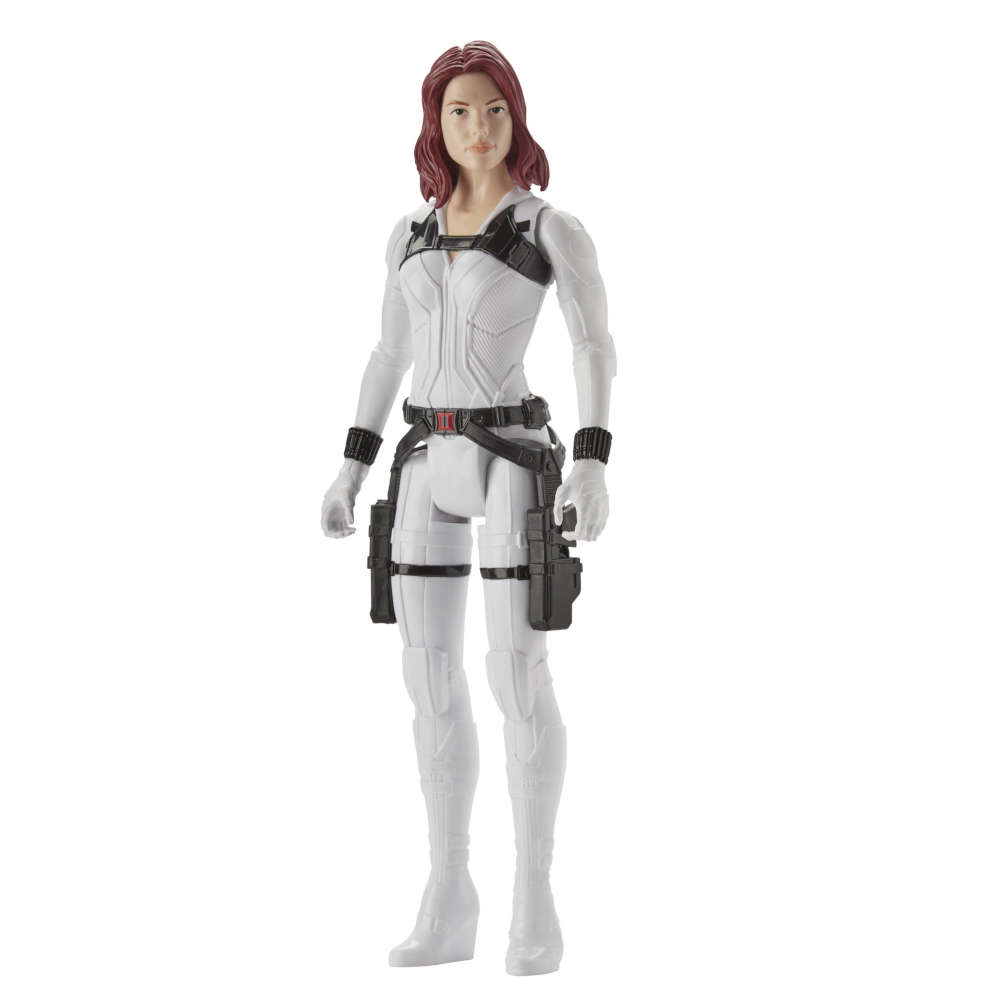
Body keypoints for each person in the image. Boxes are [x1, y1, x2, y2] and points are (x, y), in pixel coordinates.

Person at [321, 40, 616, 976]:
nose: (478, 127)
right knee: (429, 682)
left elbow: (594, 346)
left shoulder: (547, 228)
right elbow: (387, 354)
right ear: (435, 123)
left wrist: (593, 463)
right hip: (423, 460)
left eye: (493, 109)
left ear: (514, 116)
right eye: (459, 111)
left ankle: (535, 895)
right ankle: (449, 891)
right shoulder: (409, 233)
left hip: (511, 458)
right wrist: (350, 467)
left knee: (516, 676)